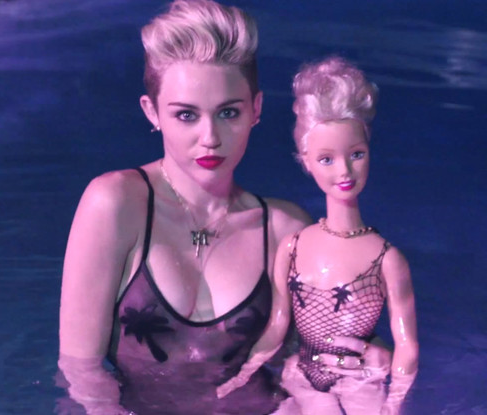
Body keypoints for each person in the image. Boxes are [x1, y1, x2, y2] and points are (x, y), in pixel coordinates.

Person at [57, 1, 390, 413]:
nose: (210, 137)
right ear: (152, 112)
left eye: (228, 112)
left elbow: (319, 357)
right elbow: (82, 373)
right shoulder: (115, 204)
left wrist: (366, 357)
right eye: (186, 115)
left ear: (256, 110)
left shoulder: (285, 230)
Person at [217, 57, 418, 415]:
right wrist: (243, 373)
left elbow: (407, 346)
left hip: (360, 378)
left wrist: (394, 402)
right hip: (302, 374)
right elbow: (278, 325)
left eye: (356, 154)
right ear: (306, 162)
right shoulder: (293, 248)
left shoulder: (387, 259)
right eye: (327, 159)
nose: (345, 170)